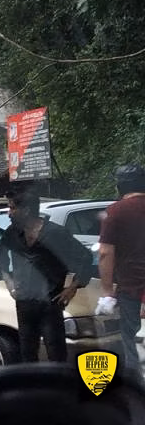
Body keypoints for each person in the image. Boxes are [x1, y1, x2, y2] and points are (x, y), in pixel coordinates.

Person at [0, 189, 93, 362]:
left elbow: (85, 258)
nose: (8, 213)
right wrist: (9, 281)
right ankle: (33, 387)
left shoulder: (56, 233)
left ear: (25, 210)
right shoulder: (12, 233)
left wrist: (72, 288)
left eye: (12, 208)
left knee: (56, 351)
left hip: (51, 303)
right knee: (27, 351)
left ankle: (57, 387)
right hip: (24, 303)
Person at [97, 164, 145, 384]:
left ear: (120, 186)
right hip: (134, 292)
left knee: (133, 347)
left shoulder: (115, 211)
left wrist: (107, 292)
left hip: (133, 292)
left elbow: (105, 253)